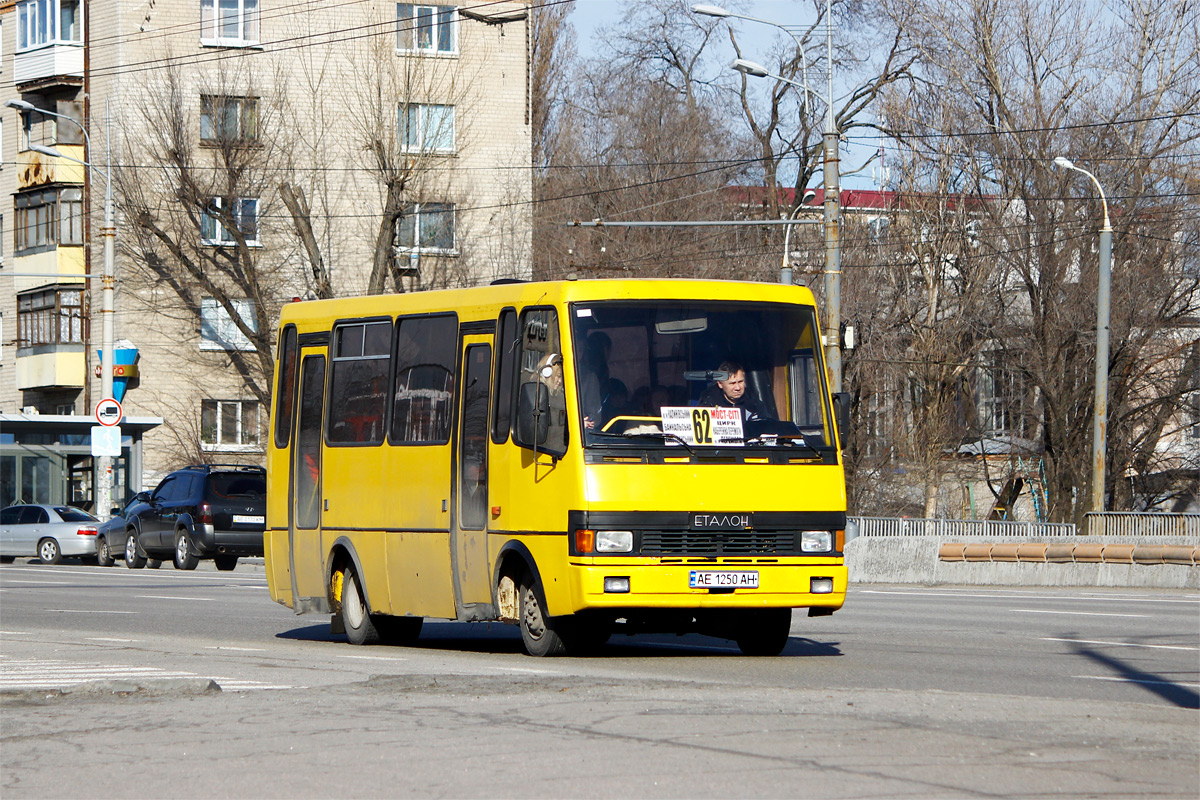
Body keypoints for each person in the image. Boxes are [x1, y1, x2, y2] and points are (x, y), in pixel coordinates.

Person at [698, 361, 770, 422]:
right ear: (720, 384)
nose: (738, 388)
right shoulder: (709, 403)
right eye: (732, 383)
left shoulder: (754, 403)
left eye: (740, 382)